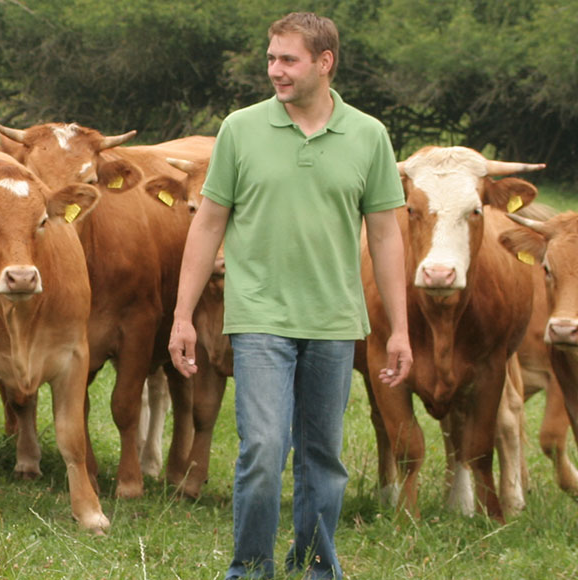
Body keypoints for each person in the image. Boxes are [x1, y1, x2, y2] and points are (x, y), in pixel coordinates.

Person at [166, 11, 412, 580]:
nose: (275, 71)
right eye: (271, 58)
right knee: (262, 450)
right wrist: (182, 315)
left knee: (322, 456)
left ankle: (316, 568)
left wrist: (397, 328)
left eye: (288, 60)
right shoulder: (241, 128)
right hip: (259, 316)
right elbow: (207, 224)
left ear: (324, 63)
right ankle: (249, 569)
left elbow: (385, 234)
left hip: (333, 320)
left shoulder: (368, 135)